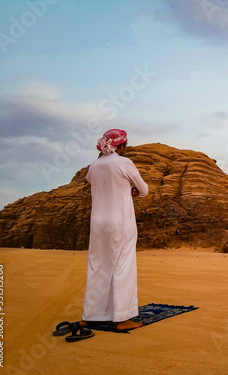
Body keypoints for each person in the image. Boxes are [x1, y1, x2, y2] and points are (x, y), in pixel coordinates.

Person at [81, 129, 148, 330]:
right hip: (120, 221)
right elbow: (144, 190)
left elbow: (97, 185)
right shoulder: (124, 163)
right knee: (122, 266)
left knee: (97, 265)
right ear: (121, 145)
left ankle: (90, 315)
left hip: (98, 223)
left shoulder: (93, 166)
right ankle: (122, 318)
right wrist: (131, 193)